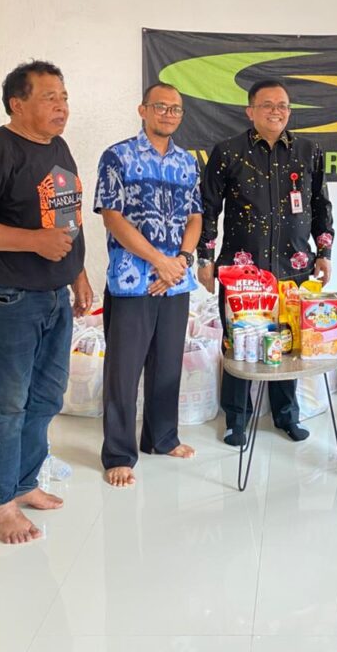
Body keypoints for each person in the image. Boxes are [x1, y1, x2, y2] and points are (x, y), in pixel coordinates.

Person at [0, 60, 93, 544]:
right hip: (9, 297)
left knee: (46, 398)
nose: (62, 106)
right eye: (50, 97)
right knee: (6, 404)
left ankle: (24, 482)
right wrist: (32, 242)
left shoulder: (58, 148)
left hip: (55, 296)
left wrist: (78, 274)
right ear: (17, 104)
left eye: (64, 97)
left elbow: (66, 221)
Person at [197, 78, 334, 446]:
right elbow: (208, 208)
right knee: (239, 343)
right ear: (250, 111)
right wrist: (205, 258)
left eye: (283, 105)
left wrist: (324, 252)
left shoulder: (308, 151)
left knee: (287, 341)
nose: (276, 111)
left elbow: (321, 205)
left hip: (294, 268)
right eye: (268, 105)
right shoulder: (227, 152)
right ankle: (236, 419)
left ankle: (286, 414)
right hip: (243, 272)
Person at [94, 82, 203, 487]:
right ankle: (119, 454)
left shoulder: (187, 162)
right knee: (123, 372)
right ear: (143, 110)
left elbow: (195, 216)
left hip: (176, 281)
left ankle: (162, 437)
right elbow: (112, 217)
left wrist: (181, 261)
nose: (169, 114)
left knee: (167, 365)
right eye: (161, 107)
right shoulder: (118, 156)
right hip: (132, 281)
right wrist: (159, 261)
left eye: (176, 109)